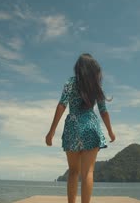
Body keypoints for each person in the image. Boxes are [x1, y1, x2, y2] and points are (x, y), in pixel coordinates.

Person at [45, 53, 115, 203]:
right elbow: (103, 111)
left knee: (73, 172)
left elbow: (62, 105)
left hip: (73, 126)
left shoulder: (70, 82)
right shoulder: (96, 86)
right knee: (88, 172)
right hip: (91, 125)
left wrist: (51, 132)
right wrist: (110, 131)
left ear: (79, 68)